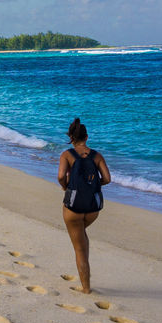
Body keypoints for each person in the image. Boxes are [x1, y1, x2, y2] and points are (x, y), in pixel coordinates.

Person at [58, 117, 110, 294]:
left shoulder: (67, 154)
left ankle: (86, 288)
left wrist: (67, 187)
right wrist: (91, 187)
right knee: (82, 238)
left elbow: (60, 176)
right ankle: (85, 280)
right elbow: (107, 179)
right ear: (87, 137)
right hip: (93, 208)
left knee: (79, 248)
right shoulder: (97, 155)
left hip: (73, 207)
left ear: (71, 138)